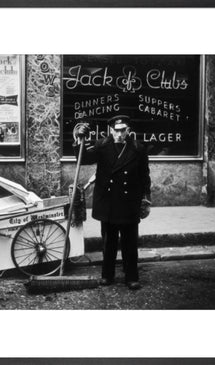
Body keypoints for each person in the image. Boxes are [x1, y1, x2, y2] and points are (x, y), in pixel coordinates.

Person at [75, 115, 151, 290]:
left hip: (129, 201)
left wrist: (146, 198)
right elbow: (83, 158)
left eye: (122, 130)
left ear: (128, 130)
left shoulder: (138, 148)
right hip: (108, 202)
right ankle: (107, 275)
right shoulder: (102, 145)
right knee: (108, 242)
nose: (119, 133)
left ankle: (131, 276)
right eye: (116, 130)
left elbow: (144, 176)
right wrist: (80, 139)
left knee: (129, 242)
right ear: (110, 130)